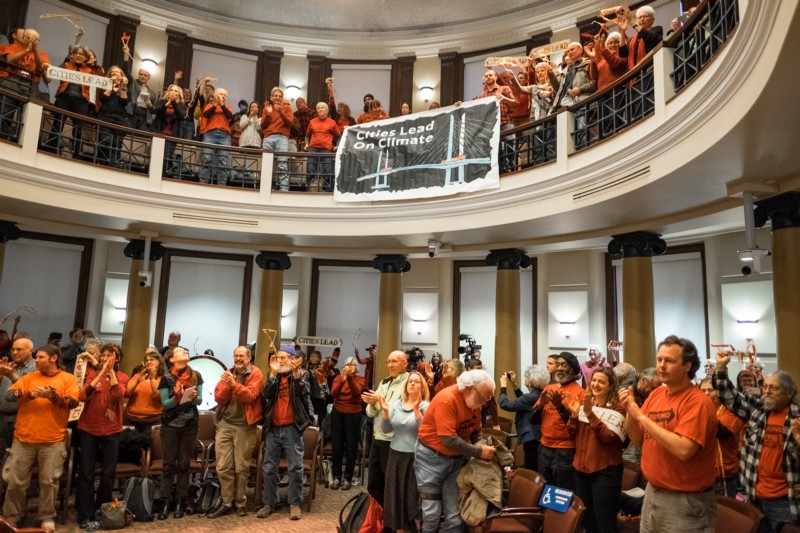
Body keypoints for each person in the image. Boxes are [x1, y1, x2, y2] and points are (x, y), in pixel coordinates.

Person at [624, 335, 717, 533]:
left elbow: (684, 449)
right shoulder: (657, 394)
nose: (662, 366)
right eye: (659, 360)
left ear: (687, 366)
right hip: (653, 491)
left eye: (669, 361)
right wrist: (630, 411)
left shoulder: (697, 402)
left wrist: (640, 417)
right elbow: (636, 437)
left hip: (685, 500)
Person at [714, 350, 800, 530]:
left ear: (789, 392)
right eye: (766, 387)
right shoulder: (758, 409)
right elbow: (730, 397)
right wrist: (721, 367)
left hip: (784, 501)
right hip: (753, 494)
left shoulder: (797, 418)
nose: (767, 391)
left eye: (773, 388)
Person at [2, 344, 79, 533]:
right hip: (23, 439)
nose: (36, 360)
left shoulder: (67, 379)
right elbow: (9, 394)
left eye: (41, 357)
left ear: (53, 358)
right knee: (15, 481)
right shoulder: (29, 378)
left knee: (49, 482)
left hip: (52, 440)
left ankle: (46, 516)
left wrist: (53, 396)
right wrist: (28, 394)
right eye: (36, 357)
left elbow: (73, 401)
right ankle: (12, 517)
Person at [414, 368, 495, 533]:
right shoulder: (447, 399)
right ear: (469, 388)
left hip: (456, 461)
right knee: (431, 515)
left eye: (488, 398)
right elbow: (449, 440)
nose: (485, 402)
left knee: (455, 516)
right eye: (483, 397)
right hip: (430, 460)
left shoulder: (474, 402)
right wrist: (479, 452)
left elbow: (475, 432)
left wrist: (480, 443)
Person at [563, 367, 626, 533]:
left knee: (604, 521)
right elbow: (571, 435)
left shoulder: (618, 409)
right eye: (594, 381)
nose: (596, 384)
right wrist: (574, 416)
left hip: (605, 472)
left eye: (601, 382)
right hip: (581, 470)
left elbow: (608, 437)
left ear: (610, 385)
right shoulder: (585, 404)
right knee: (587, 520)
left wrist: (591, 415)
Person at [76, 343, 129, 531]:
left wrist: (110, 373)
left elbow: (119, 394)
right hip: (88, 429)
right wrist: (100, 373)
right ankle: (85, 514)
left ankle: (103, 511)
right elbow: (82, 396)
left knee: (108, 475)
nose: (106, 358)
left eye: (110, 356)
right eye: (104, 355)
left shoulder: (122, 377)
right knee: (86, 474)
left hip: (112, 430)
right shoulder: (90, 373)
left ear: (117, 358)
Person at [208, 345, 263, 518]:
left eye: (241, 356)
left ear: (249, 358)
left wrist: (233, 384)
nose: (238, 359)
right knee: (223, 466)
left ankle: (240, 502)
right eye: (235, 356)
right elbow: (219, 398)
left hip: (245, 426)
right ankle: (226, 502)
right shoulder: (228, 372)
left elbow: (250, 396)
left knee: (241, 467)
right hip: (225, 424)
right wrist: (227, 384)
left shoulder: (256, 373)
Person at [258, 350, 312, 521]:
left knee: (295, 468)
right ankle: (269, 502)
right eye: (277, 358)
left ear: (291, 360)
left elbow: (303, 391)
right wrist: (272, 373)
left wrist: (295, 374)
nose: (280, 361)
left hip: (292, 429)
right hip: (273, 428)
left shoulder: (300, 375)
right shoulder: (273, 376)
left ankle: (295, 504)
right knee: (269, 467)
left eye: (283, 358)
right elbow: (266, 394)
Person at [379, 371, 430, 533]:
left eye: (416, 381)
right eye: (410, 381)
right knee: (396, 497)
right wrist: (386, 413)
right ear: (406, 386)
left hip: (416, 458)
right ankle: (399, 529)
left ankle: (415, 529)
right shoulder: (395, 405)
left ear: (422, 387)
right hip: (395, 456)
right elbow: (386, 430)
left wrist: (416, 412)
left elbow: (424, 432)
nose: (413, 383)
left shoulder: (426, 406)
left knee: (412, 498)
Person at [157, 347, 203, 520]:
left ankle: (180, 501)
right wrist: (176, 398)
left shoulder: (196, 375)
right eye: (180, 351)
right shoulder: (166, 378)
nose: (185, 352)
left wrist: (194, 397)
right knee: (169, 464)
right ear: (172, 360)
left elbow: (199, 401)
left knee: (184, 464)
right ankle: (164, 501)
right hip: (169, 425)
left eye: (185, 351)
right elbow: (165, 404)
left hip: (190, 425)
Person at [531, 351, 584, 490]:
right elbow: (533, 420)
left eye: (564, 365)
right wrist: (540, 407)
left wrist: (560, 406)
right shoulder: (549, 388)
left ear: (573, 369)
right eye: (558, 365)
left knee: (561, 490)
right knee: (543, 489)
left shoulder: (580, 393)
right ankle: (545, 512)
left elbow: (577, 426)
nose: (560, 368)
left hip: (565, 450)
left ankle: (559, 513)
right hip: (544, 447)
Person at [361, 350, 408, 507]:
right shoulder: (384, 382)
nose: (390, 365)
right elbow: (369, 412)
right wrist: (374, 404)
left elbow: (404, 411)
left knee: (391, 486)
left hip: (395, 441)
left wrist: (381, 403)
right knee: (374, 484)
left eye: (394, 361)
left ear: (404, 364)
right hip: (378, 438)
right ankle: (376, 522)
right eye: (388, 362)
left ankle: (391, 525)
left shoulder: (409, 383)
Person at [698, 378, 743, 498]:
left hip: (724, 476)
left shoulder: (731, 411)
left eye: (710, 390)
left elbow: (722, 433)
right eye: (703, 390)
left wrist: (704, 409)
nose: (706, 393)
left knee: (725, 514)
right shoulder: (701, 411)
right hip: (704, 474)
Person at [499, 365, 549, 471]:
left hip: (531, 438)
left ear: (531, 381)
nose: (524, 378)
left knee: (531, 467)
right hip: (537, 436)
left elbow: (504, 404)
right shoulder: (538, 395)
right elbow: (522, 400)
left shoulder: (529, 398)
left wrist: (503, 386)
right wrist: (513, 384)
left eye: (526, 377)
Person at [329, 356, 366, 490]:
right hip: (338, 413)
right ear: (343, 367)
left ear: (356, 368)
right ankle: (336, 476)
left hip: (353, 414)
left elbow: (356, 393)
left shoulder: (360, 379)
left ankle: (348, 478)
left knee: (351, 446)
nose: (350, 367)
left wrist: (349, 378)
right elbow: (333, 393)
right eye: (347, 365)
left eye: (353, 365)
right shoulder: (338, 378)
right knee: (337, 445)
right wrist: (342, 380)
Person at [0, 338, 37, 464]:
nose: (14, 352)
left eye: (19, 349)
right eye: (13, 349)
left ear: (30, 350)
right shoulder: (9, 365)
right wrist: (0, 377)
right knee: (2, 457)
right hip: (3, 418)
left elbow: (29, 390)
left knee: (18, 460)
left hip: (22, 418)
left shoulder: (36, 368)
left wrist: (11, 375)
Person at [1, 28, 51, 101]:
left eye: (36, 40)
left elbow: (40, 68)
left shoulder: (42, 53)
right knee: (8, 102)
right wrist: (27, 51)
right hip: (13, 79)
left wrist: (35, 50)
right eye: (30, 38)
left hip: (31, 83)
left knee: (32, 105)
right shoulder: (13, 47)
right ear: (23, 38)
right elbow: (10, 60)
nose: (33, 41)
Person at [95, 66, 131, 168]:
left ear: (122, 76)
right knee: (105, 140)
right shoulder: (105, 85)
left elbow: (124, 102)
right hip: (106, 116)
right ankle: (102, 163)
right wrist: (110, 84)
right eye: (112, 72)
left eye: (117, 72)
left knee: (116, 143)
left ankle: (113, 165)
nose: (114, 73)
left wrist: (123, 86)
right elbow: (103, 98)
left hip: (120, 119)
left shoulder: (126, 88)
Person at [260, 87, 294, 191]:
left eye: (280, 96)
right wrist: (268, 114)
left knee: (282, 164)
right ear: (271, 97)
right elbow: (262, 126)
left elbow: (290, 124)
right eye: (276, 96)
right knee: (266, 165)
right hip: (268, 138)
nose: (278, 98)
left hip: (282, 138)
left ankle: (284, 190)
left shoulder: (287, 108)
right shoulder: (267, 108)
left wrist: (281, 112)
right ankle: (265, 189)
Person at [124, 350, 165, 433]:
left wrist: (152, 378)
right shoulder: (137, 376)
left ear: (159, 362)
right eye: (147, 360)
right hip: (132, 419)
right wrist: (138, 381)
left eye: (152, 359)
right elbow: (127, 393)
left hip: (153, 421)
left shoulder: (164, 379)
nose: (149, 362)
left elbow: (159, 397)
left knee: (151, 444)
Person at [199, 88, 233, 185]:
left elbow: (229, 115)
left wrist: (222, 105)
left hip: (224, 136)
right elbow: (206, 114)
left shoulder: (228, 107)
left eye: (225, 95)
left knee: (223, 163)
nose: (223, 97)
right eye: (221, 94)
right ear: (215, 96)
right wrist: (215, 105)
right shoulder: (209, 105)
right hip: (210, 135)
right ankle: (203, 184)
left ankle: (221, 186)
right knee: (206, 160)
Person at [305, 101, 341, 192]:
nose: (320, 109)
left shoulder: (332, 122)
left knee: (327, 171)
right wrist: (306, 144)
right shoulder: (312, 121)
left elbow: (339, 136)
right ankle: (307, 190)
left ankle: (328, 191)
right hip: (313, 148)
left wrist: (337, 146)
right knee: (310, 171)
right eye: (318, 108)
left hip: (326, 149)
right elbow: (307, 135)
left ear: (327, 110)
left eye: (322, 107)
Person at [153, 84, 187, 174]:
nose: (173, 92)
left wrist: (174, 103)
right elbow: (154, 111)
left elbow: (181, 116)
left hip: (172, 134)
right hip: (159, 131)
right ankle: (153, 173)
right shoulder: (162, 101)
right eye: (171, 90)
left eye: (176, 91)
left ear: (179, 94)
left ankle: (163, 175)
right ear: (168, 92)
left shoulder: (182, 105)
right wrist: (166, 104)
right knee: (156, 154)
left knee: (166, 155)